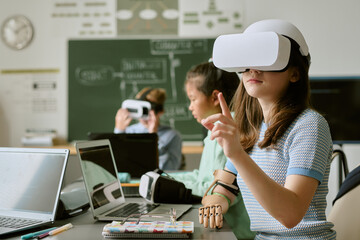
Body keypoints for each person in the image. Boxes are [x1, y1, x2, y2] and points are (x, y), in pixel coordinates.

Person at [199, 19, 336, 239]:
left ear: (295, 73)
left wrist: (236, 153)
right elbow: (223, 187)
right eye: (248, 60)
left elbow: (290, 215)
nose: (253, 69)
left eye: (267, 59)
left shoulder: (309, 125)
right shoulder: (249, 129)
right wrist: (214, 204)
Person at [169, 61, 255, 239]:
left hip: (234, 232)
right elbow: (203, 176)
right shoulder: (225, 125)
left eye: (193, 99)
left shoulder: (224, 130)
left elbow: (210, 187)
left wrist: (169, 185)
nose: (190, 106)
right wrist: (166, 177)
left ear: (215, 97)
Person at [114, 87, 182, 170]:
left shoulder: (172, 136)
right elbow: (117, 163)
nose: (143, 115)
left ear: (160, 111)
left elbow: (170, 169)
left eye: (147, 110)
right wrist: (119, 131)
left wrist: (153, 138)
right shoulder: (129, 132)